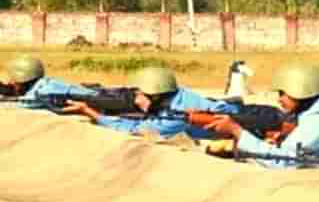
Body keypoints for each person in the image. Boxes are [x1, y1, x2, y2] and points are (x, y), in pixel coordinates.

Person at [60, 66, 240, 139]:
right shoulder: (175, 94)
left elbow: (135, 129)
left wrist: (90, 112)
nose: (136, 99)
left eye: (140, 95)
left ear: (155, 95)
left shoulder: (176, 115)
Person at [1, 55, 97, 104]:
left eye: (13, 79)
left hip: (98, 98)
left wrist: (9, 98)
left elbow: (29, 100)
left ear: (23, 78)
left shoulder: (43, 91)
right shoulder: (42, 82)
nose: (10, 82)